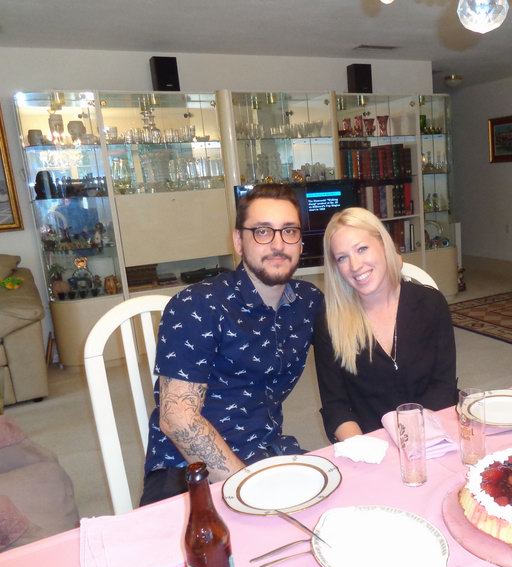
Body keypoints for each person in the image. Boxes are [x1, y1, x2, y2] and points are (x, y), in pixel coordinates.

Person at [140, 183, 323, 505]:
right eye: (262, 231)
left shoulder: (307, 303)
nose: (278, 244)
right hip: (185, 469)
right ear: (239, 241)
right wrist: (248, 486)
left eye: (289, 231)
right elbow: (178, 418)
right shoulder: (198, 305)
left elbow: (355, 357)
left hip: (266, 453)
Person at [314, 207, 457, 441]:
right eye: (342, 258)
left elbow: (443, 386)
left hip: (429, 435)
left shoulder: (431, 303)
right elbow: (336, 407)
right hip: (369, 444)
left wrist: (414, 442)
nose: (355, 265)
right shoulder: (329, 321)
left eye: (362, 249)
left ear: (383, 244)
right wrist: (365, 450)